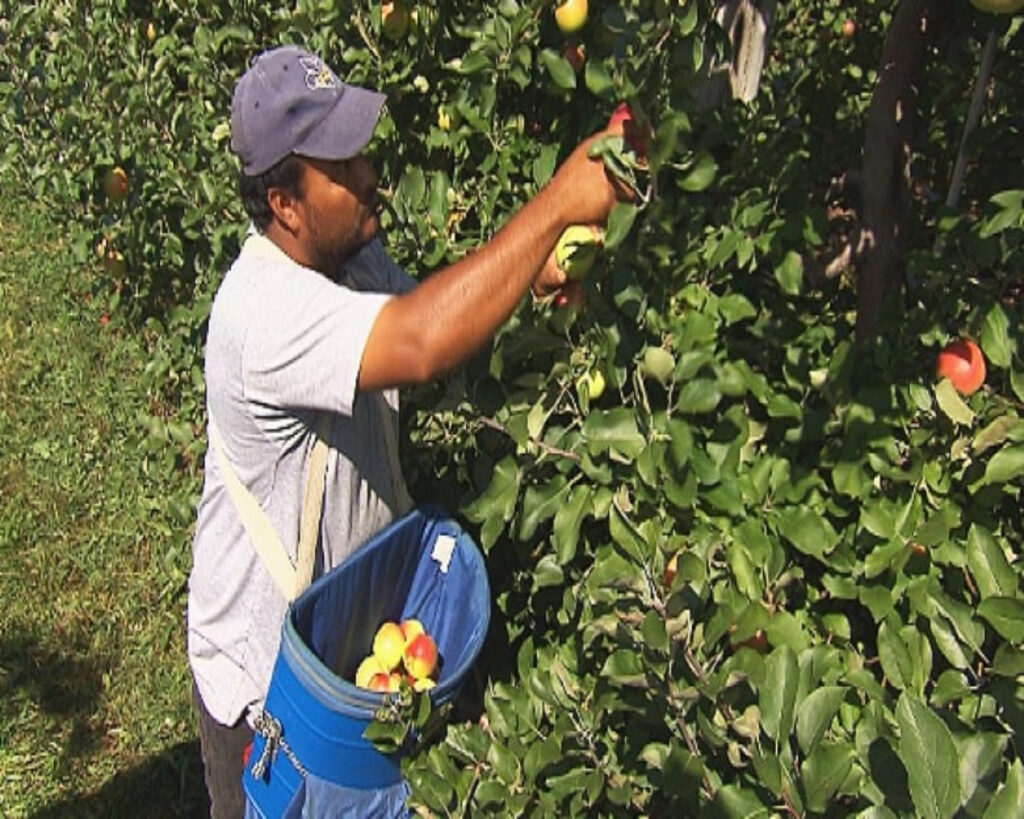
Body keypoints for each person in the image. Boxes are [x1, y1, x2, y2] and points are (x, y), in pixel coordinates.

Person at [187, 44, 626, 818]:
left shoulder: (350, 260)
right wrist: (556, 202)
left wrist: (535, 273)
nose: (366, 174)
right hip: (269, 693)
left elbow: (426, 318)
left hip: (352, 641)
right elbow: (420, 342)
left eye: (358, 151)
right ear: (284, 203)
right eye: (339, 165)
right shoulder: (264, 311)